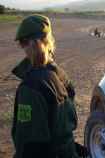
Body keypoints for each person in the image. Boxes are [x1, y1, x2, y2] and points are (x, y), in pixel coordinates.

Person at [11, 14, 85, 158]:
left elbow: (29, 144)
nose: (22, 48)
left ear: (36, 43)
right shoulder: (61, 75)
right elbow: (69, 123)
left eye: (23, 42)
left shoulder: (31, 87)